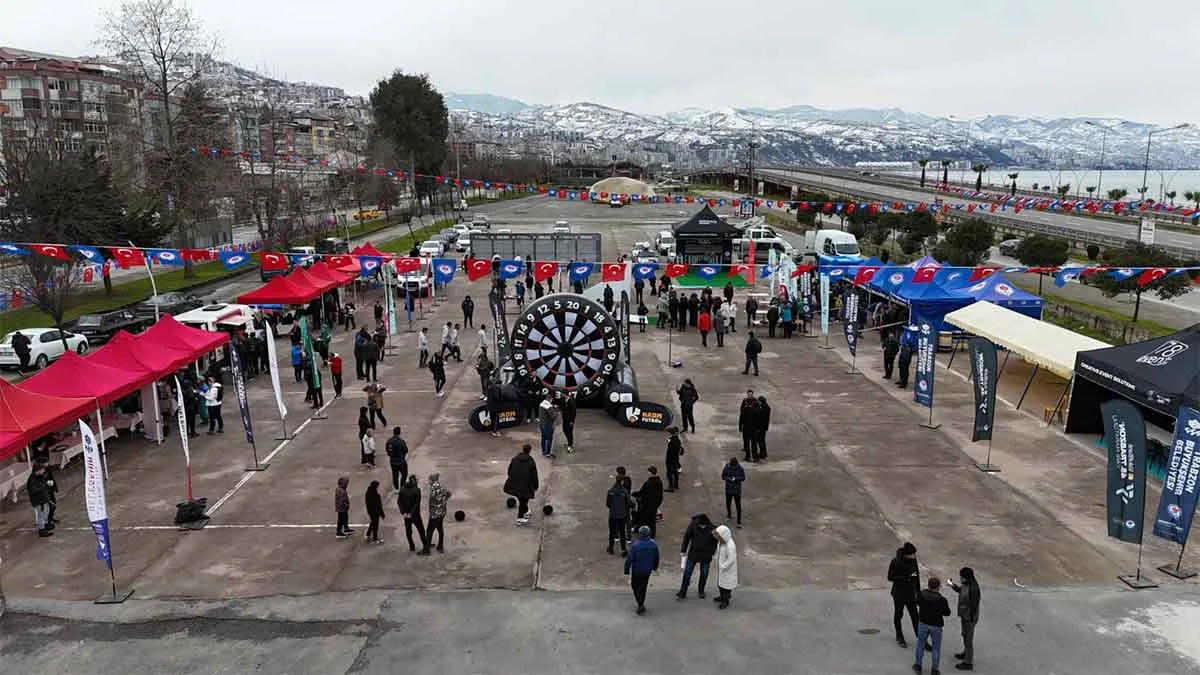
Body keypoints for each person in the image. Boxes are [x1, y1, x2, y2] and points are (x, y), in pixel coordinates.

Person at [914, 578, 952, 674]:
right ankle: (934, 669)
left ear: (929, 585)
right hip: (936, 626)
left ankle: (918, 665)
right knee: (936, 648)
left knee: (920, 645)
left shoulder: (922, 595)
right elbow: (947, 613)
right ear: (938, 587)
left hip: (923, 623)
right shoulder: (942, 600)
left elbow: (917, 602)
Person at [888, 542, 922, 648]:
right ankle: (899, 636)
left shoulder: (913, 561)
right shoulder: (895, 562)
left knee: (915, 616)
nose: (914, 556)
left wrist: (918, 591)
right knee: (899, 614)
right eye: (912, 554)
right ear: (907, 554)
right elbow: (890, 577)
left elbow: (916, 575)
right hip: (899, 593)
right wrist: (906, 578)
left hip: (911, 593)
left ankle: (921, 639)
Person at [948, 567, 981, 671]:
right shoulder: (967, 584)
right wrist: (952, 585)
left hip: (969, 618)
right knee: (964, 635)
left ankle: (968, 662)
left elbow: (974, 605)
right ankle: (966, 653)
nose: (960, 579)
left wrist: (970, 619)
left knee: (968, 639)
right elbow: (960, 590)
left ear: (966, 577)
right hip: (965, 615)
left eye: (961, 577)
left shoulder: (973, 589)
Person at [677, 513, 717, 599]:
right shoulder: (693, 524)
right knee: (687, 572)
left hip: (706, 556)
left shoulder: (713, 528)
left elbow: (715, 542)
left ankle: (701, 591)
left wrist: (711, 552)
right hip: (693, 554)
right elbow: (687, 537)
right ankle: (683, 591)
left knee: (704, 574)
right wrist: (683, 550)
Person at [623, 525, 660, 615]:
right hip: (647, 571)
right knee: (643, 587)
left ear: (640, 534)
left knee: (635, 586)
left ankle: (640, 603)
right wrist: (655, 567)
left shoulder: (635, 545)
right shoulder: (653, 544)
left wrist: (626, 570)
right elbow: (656, 557)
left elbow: (629, 559)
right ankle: (641, 602)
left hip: (637, 570)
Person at [504, 444, 540, 525]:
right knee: (524, 500)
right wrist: (536, 485)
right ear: (529, 451)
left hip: (514, 483)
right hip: (525, 485)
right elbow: (534, 475)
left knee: (521, 499)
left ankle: (526, 511)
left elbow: (509, 471)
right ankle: (520, 518)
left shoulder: (515, 458)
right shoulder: (531, 461)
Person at [397, 475, 429, 554]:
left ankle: (412, 546)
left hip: (406, 515)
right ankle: (425, 546)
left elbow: (399, 502)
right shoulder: (417, 490)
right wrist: (411, 513)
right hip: (415, 515)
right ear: (414, 481)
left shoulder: (402, 489)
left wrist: (403, 512)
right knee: (421, 530)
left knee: (408, 531)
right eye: (417, 480)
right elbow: (417, 504)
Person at [632, 466, 664, 538]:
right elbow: (661, 496)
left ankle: (643, 533)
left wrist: (634, 494)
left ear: (650, 473)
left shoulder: (648, 483)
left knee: (644, 520)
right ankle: (653, 535)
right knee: (652, 521)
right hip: (654, 505)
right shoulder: (659, 482)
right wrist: (657, 504)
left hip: (646, 505)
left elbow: (642, 492)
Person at [606, 476, 634, 555]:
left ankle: (611, 548)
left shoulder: (610, 491)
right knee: (622, 532)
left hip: (612, 515)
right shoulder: (624, 492)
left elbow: (608, 504)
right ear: (622, 482)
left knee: (612, 532)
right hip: (622, 515)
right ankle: (623, 550)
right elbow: (628, 503)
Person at [714, 524, 738, 609]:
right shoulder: (721, 542)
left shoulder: (730, 546)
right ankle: (721, 597)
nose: (717, 538)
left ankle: (725, 601)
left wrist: (723, 566)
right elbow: (718, 551)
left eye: (718, 535)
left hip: (727, 569)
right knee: (721, 584)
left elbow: (731, 559)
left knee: (726, 587)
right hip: (722, 568)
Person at [426, 473, 452, 553]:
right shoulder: (441, 486)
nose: (428, 481)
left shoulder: (434, 488)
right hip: (442, 512)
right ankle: (440, 546)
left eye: (429, 480)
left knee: (429, 530)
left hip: (435, 514)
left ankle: (427, 549)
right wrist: (444, 501)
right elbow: (449, 493)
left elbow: (432, 500)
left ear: (432, 480)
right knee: (440, 529)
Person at [26, 464, 54, 537]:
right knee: (40, 515)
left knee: (45, 512)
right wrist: (45, 485)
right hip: (39, 500)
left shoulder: (39, 477)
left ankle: (45, 524)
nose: (43, 471)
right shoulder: (32, 479)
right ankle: (42, 530)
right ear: (38, 470)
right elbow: (34, 490)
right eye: (42, 470)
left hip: (43, 499)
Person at [721, 457, 744, 527]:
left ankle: (739, 521)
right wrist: (728, 479)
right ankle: (729, 514)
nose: (733, 467)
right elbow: (723, 476)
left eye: (734, 466)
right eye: (732, 466)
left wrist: (736, 479)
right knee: (728, 503)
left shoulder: (740, 468)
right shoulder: (727, 467)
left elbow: (743, 477)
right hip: (728, 489)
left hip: (737, 490)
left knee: (738, 506)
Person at [738, 391, 759, 461]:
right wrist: (740, 426)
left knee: (753, 443)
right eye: (749, 395)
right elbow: (741, 416)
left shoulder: (756, 402)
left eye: (751, 395)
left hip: (752, 427)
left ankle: (754, 456)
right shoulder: (745, 403)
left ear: (753, 395)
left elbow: (758, 415)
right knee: (747, 443)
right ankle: (748, 456)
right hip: (747, 427)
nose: (750, 396)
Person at [664, 426, 684, 492]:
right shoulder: (677, 440)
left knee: (669, 473)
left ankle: (671, 487)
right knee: (675, 472)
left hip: (670, 459)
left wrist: (669, 441)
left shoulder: (671, 441)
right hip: (676, 458)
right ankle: (676, 485)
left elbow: (670, 445)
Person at [754, 395, 771, 461]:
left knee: (760, 440)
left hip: (761, 427)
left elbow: (760, 416)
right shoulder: (766, 407)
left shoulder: (764, 408)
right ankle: (763, 452)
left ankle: (763, 453)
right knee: (762, 440)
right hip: (764, 427)